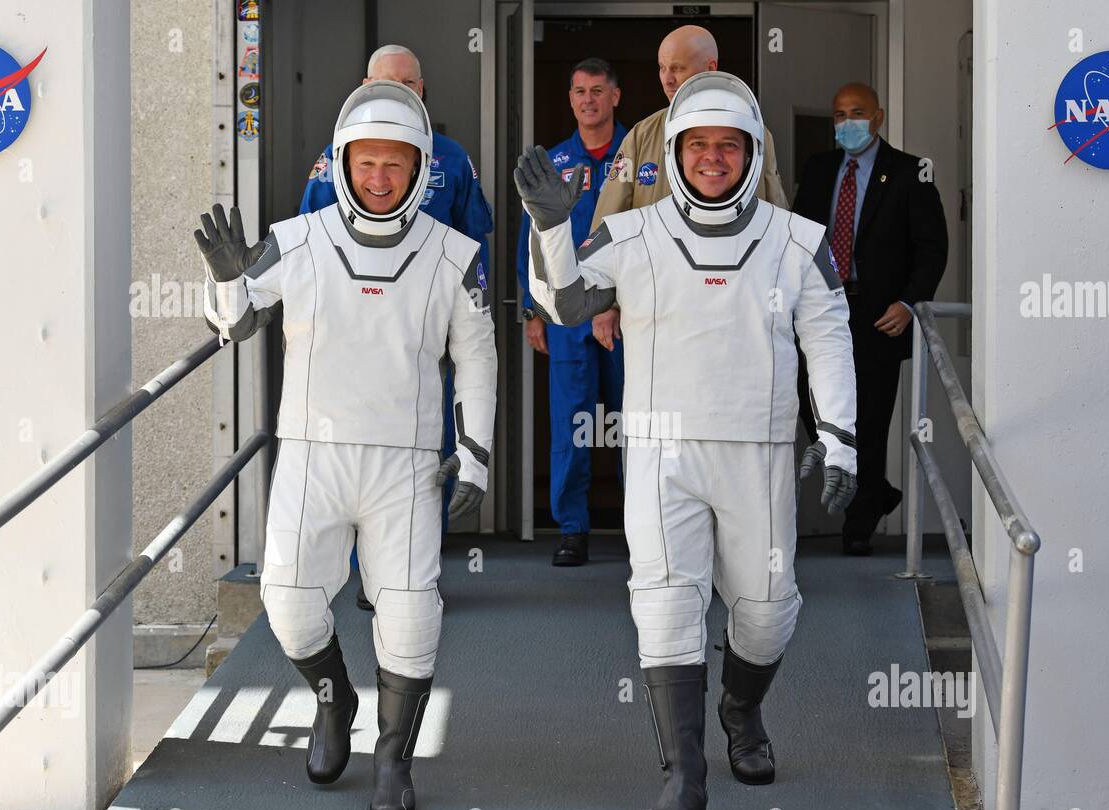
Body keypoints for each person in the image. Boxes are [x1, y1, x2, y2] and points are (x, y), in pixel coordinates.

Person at [517, 72, 858, 810]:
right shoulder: (633, 233)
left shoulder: (796, 239)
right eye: (698, 145)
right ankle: (685, 777)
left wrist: (839, 436)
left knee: (766, 614)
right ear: (673, 152)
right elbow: (566, 304)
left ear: (749, 153)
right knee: (666, 604)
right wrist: (550, 229)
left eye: (727, 146)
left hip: (760, 451)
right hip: (663, 452)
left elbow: (829, 339)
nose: (712, 158)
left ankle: (740, 704)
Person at [198, 81, 497, 810]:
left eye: (396, 164)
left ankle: (394, 758)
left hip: (405, 461)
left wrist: (478, 454)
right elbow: (232, 327)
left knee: (410, 613)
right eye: (367, 162)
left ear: (422, 169)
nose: (380, 178)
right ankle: (334, 703)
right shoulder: (295, 240)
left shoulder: (455, 255)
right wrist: (229, 280)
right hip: (312, 452)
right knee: (291, 603)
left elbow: (480, 356)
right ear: (341, 164)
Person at [301, 44, 495, 608]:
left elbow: (474, 243)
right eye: (387, 84)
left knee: (425, 453)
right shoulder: (335, 158)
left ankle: (414, 570)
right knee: (364, 449)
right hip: (354, 332)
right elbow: (308, 240)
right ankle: (366, 573)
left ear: (423, 89)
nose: (400, 94)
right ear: (364, 88)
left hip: (426, 336)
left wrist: (473, 324)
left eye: (409, 85)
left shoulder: (452, 158)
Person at [793, 82, 948, 555]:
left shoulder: (909, 172)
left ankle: (859, 524)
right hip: (823, 311)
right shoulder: (819, 169)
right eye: (838, 115)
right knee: (814, 408)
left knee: (870, 419)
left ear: (878, 117)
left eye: (856, 112)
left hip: (879, 314)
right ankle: (876, 492)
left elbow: (932, 248)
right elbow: (799, 238)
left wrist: (908, 304)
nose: (846, 122)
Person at [586, 24, 789, 354]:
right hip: (657, 307)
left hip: (735, 305)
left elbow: (776, 216)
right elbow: (608, 223)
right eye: (662, 68)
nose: (667, 79)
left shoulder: (754, 134)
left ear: (710, 69)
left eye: (677, 68)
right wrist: (603, 302)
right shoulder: (641, 136)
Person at [516, 58, 627, 566]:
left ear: (615, 97)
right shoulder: (554, 162)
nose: (589, 99)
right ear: (570, 98)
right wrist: (531, 312)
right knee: (572, 424)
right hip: (567, 319)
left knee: (641, 426)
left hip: (629, 315)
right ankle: (572, 530)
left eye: (598, 90)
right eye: (580, 90)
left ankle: (647, 527)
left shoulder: (640, 154)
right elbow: (531, 244)